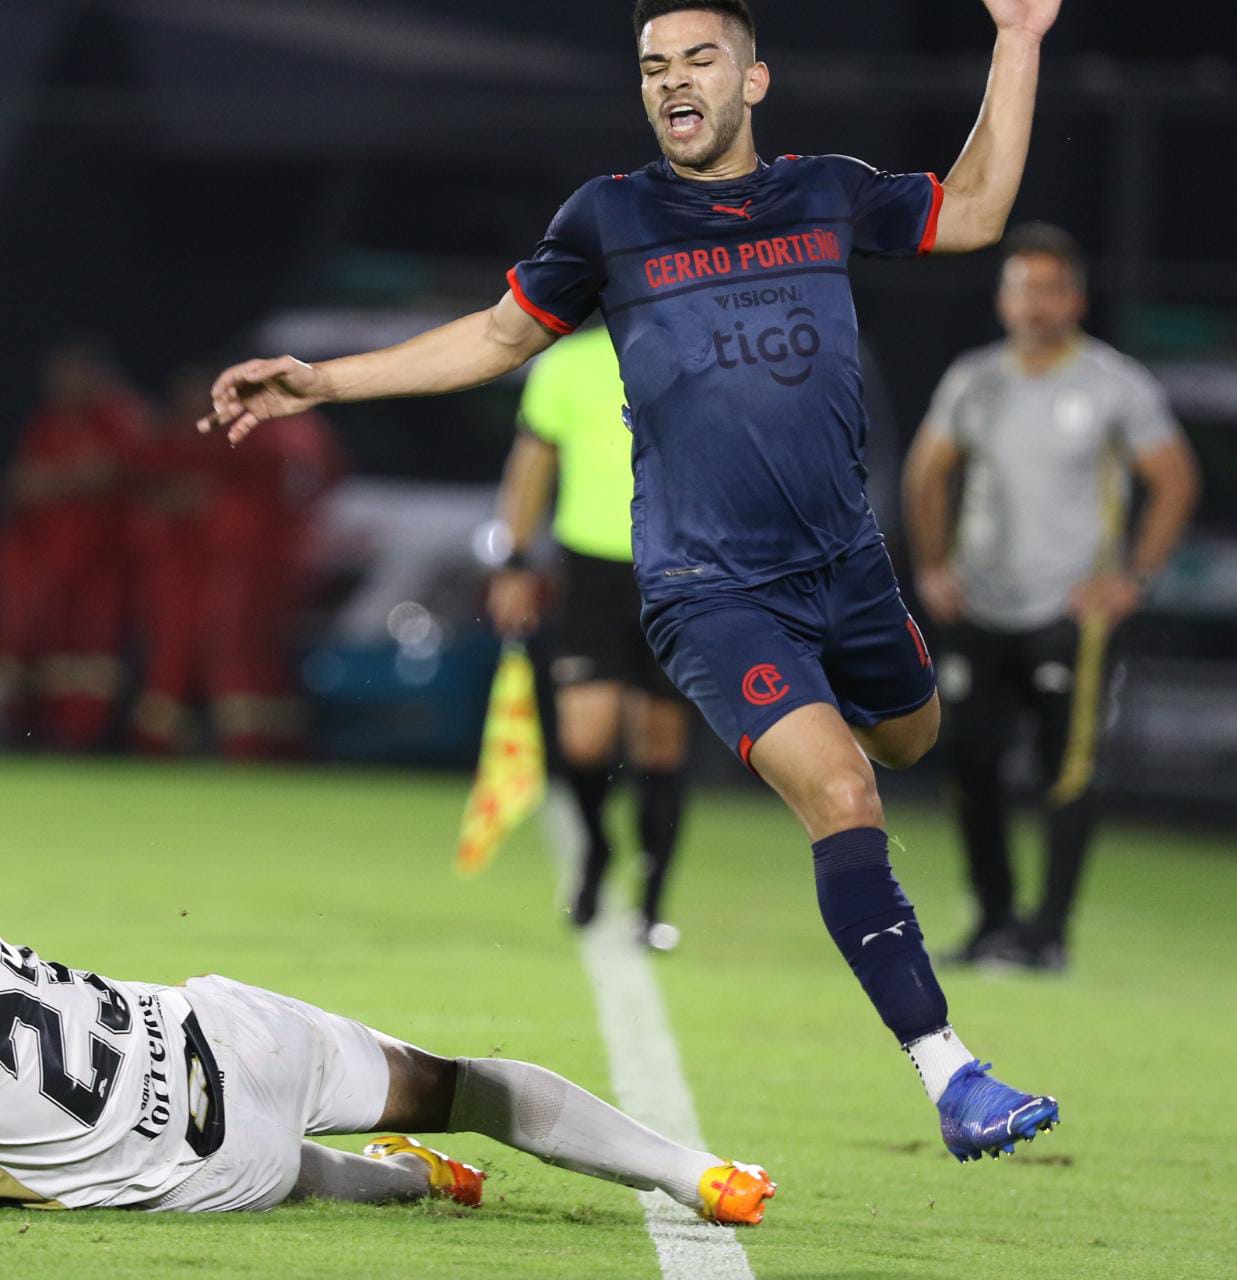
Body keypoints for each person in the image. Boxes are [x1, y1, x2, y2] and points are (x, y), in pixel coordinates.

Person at [200, 0, 1067, 1162]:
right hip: (709, 585)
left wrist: (1017, 41)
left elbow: (973, 213)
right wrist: (322, 382)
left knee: (913, 737)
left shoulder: (823, 192)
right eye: (654, 66)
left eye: (699, 59)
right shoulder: (609, 220)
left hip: (848, 565)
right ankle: (950, 1072)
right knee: (847, 792)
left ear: (754, 80)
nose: (673, 81)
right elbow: (497, 339)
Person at [902, 224, 1199, 970]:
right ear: (1003, 298)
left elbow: (1173, 479)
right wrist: (933, 565)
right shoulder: (974, 379)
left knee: (1064, 768)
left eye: (1048, 288)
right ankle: (993, 918)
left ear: (1073, 297)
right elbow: (925, 472)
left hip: (1070, 612)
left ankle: (1048, 933)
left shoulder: (1110, 383)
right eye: (1021, 288)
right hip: (979, 603)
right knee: (968, 756)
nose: (1034, 304)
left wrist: (1130, 580)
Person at [0, 935, 774, 1221]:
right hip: (233, 1033)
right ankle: (697, 1173)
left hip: (216, 1161)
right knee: (457, 1086)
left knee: (248, 1163)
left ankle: (411, 1177)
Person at [488, 327, 692, 949]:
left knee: (660, 740)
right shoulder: (569, 364)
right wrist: (515, 561)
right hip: (592, 571)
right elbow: (531, 464)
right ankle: (598, 849)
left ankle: (651, 904)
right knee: (584, 738)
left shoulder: (699, 349)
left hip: (681, 567)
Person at [0, 343, 147, 750]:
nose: (62, 387)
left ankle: (86, 736)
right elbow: (21, 483)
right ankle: (37, 731)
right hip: (45, 563)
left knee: (92, 656)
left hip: (102, 565)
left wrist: (54, 481)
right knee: (39, 653)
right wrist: (66, 479)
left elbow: (109, 472)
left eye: (72, 377)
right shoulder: (48, 423)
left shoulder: (120, 418)